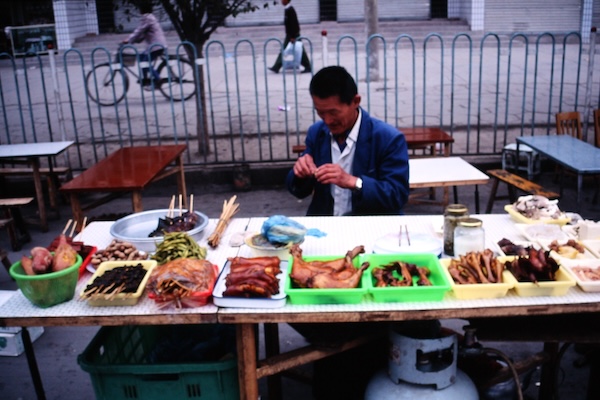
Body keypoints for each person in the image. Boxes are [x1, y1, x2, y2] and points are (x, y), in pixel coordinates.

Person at [286, 65, 410, 216]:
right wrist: (300, 173)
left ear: (355, 101)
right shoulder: (317, 133)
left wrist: (353, 182)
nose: (328, 120)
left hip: (370, 227)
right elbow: (298, 190)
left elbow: (397, 195)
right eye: (320, 113)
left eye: (333, 112)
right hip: (325, 227)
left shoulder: (388, 139)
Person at [120, 1, 167, 85]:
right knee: (141, 57)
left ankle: (158, 78)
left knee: (145, 62)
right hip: (157, 45)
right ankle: (145, 78)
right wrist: (133, 41)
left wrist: (129, 39)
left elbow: (139, 30)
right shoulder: (150, 17)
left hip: (156, 46)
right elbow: (142, 34)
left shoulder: (147, 17)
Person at [269, 0, 312, 74]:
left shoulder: (290, 10)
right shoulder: (287, 9)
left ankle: (308, 66)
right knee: (293, 50)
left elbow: (294, 24)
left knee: (298, 50)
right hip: (290, 34)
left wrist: (293, 36)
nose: (281, 1)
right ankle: (277, 66)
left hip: (293, 34)